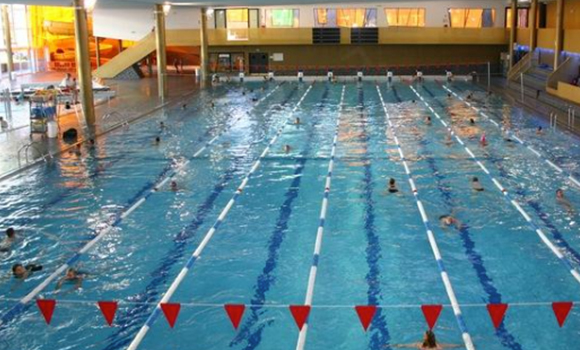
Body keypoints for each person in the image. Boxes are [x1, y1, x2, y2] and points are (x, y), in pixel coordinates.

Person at [391, 330, 462, 349]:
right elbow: (453, 346)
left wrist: (393, 345)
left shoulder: (420, 345)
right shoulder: (439, 346)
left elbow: (404, 346)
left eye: (424, 336)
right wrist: (462, 345)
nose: (423, 337)